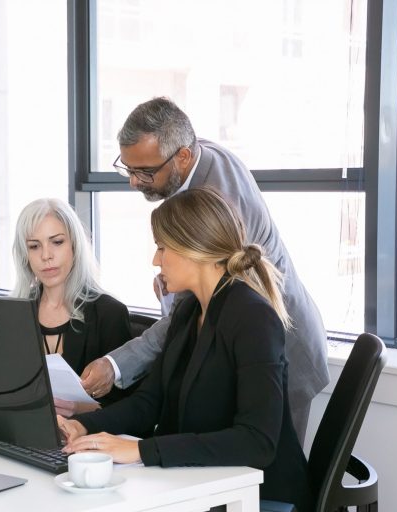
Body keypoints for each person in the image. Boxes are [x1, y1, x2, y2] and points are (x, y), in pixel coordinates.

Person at [80, 97, 328, 443]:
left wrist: (116, 365)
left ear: (182, 157)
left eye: (145, 172)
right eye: (128, 167)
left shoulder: (219, 201)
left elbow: (253, 447)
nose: (133, 182)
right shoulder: (193, 157)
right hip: (242, 341)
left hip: (282, 345)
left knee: (266, 472)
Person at [60, 188, 313, 512]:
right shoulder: (189, 311)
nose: (155, 260)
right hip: (201, 485)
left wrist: (140, 451)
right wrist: (86, 428)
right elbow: (150, 401)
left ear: (195, 249)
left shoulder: (253, 318)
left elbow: (256, 441)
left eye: (162, 248)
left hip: (258, 496)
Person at [12, 198, 133, 415]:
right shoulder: (14, 312)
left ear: (75, 246)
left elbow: (128, 406)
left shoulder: (109, 314)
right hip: (23, 434)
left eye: (57, 242)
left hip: (88, 441)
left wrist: (78, 409)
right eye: (34, 246)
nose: (46, 255)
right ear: (25, 255)